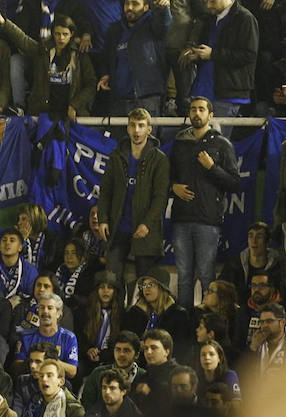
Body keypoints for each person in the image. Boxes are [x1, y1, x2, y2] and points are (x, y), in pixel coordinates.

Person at [169, 96, 242, 309]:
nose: (196, 113)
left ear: (211, 115)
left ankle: (210, 323)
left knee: (208, 276)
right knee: (184, 276)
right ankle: (184, 324)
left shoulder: (222, 144)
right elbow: (167, 177)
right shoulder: (179, 143)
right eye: (193, 109)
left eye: (201, 109)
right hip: (181, 219)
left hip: (208, 221)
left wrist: (212, 167)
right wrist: (173, 187)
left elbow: (234, 183)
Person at [94, 109, 170, 287]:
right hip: (118, 226)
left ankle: (141, 315)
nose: (136, 131)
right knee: (111, 280)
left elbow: (160, 197)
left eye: (141, 126)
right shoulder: (116, 156)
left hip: (144, 229)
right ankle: (114, 315)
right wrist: (103, 219)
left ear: (149, 130)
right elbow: (105, 191)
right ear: (127, 128)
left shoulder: (159, 159)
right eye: (133, 125)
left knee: (145, 283)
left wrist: (147, 223)